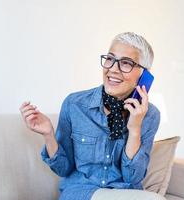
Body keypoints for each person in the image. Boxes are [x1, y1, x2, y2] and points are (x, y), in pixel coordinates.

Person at [19, 32, 161, 200]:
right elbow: (63, 169)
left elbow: (133, 178)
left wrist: (135, 128)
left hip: (124, 194)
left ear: (144, 75)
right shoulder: (74, 104)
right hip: (81, 193)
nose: (113, 69)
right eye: (110, 59)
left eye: (126, 63)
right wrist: (49, 134)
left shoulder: (150, 115)